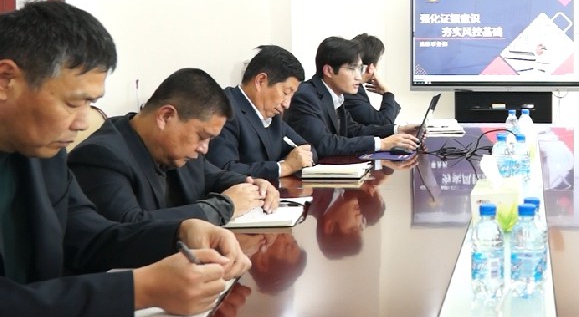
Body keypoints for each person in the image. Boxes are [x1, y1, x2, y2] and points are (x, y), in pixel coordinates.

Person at [0, 0, 249, 317]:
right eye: (73, 103)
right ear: (6, 80)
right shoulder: (50, 144)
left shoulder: (44, 154)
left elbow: (92, 238)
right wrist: (139, 290)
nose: (83, 122)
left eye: (91, 103)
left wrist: (180, 231)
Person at [69, 68, 279, 225]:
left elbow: (214, 177)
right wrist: (224, 207)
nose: (204, 149)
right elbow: (129, 228)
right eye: (202, 137)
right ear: (166, 116)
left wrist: (254, 185)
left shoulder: (179, 151)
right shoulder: (101, 156)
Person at [285, 36, 418, 157]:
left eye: (359, 69)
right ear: (329, 71)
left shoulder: (335, 95)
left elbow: (353, 130)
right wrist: (381, 144)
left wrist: (397, 130)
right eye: (351, 68)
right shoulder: (306, 97)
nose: (358, 77)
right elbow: (323, 144)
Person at [206, 45, 316, 180]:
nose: (287, 104)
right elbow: (224, 170)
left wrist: (295, 159)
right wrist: (284, 167)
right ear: (260, 81)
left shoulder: (273, 116)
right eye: (286, 92)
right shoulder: (224, 109)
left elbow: (307, 150)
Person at [344, 33, 401, 126]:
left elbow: (386, 119)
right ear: (371, 68)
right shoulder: (351, 93)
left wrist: (388, 95)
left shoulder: (357, 89)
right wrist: (387, 93)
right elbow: (384, 123)